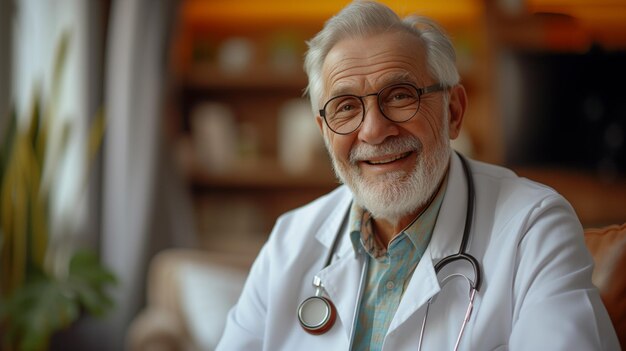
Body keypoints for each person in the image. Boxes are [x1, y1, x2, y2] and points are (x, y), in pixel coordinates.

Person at [216, 1, 619, 350]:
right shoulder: (289, 241)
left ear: (454, 112)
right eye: (345, 107)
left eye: (400, 96)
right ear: (324, 131)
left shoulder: (536, 226)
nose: (373, 130)